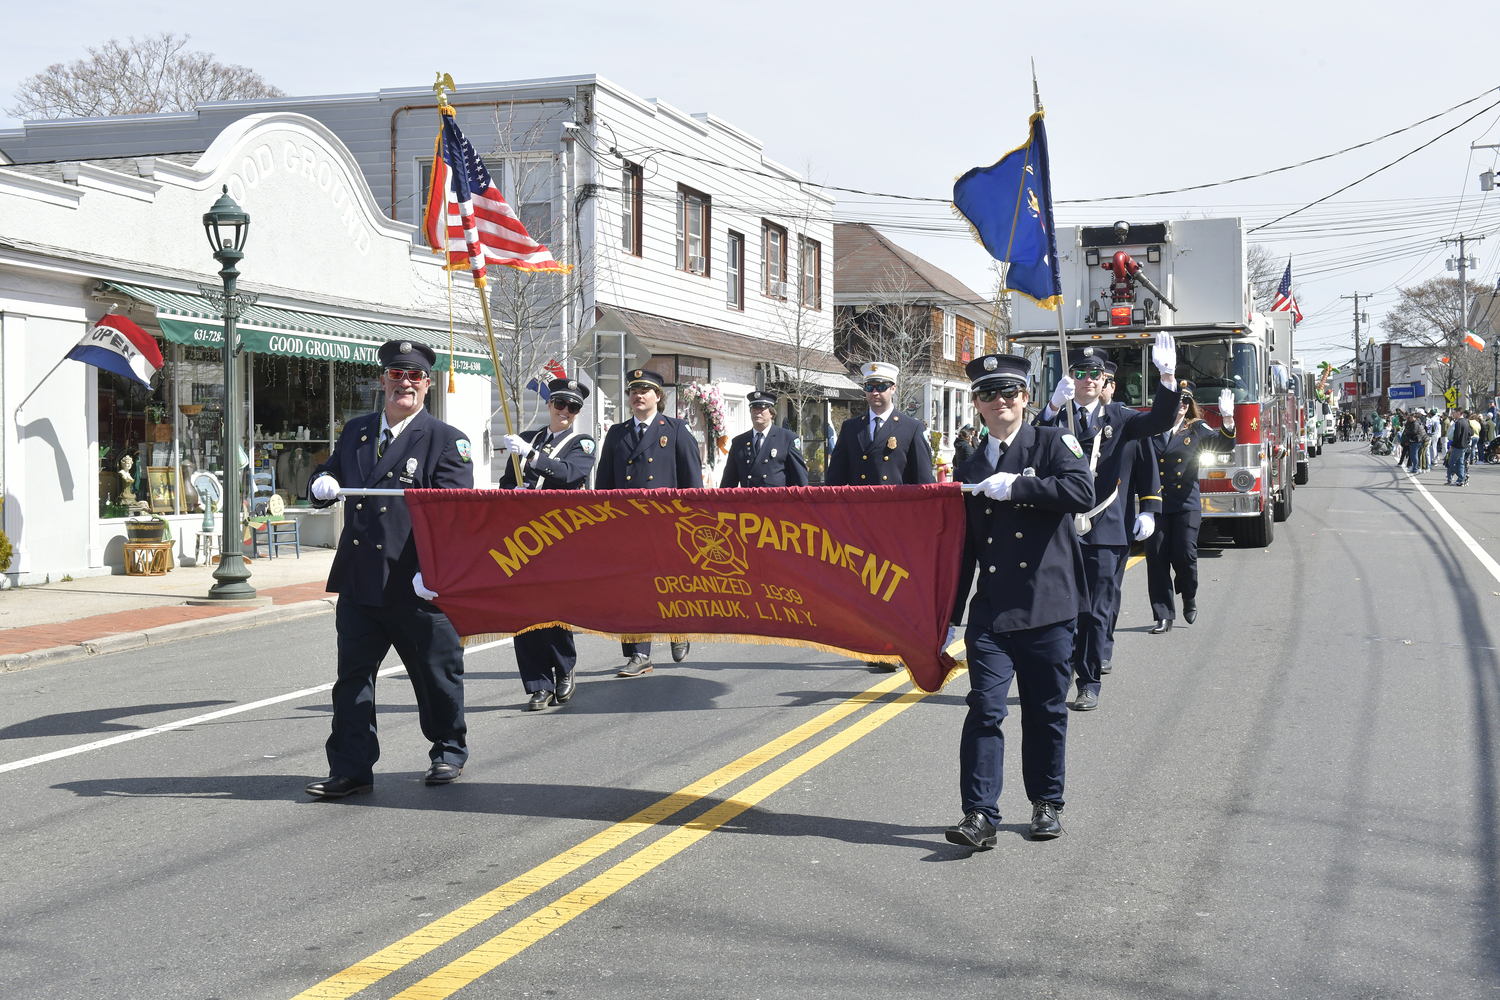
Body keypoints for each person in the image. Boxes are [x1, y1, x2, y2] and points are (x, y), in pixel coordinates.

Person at [303, 340, 474, 799]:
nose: (405, 383)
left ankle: (448, 749)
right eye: (397, 375)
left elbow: (454, 517)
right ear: (382, 380)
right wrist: (319, 483)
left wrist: (435, 573)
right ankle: (352, 767)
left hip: (416, 582)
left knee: (436, 675)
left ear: (427, 384)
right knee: (353, 681)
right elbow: (329, 474)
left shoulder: (444, 438)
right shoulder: (357, 431)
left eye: (414, 376)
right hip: (360, 580)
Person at [945, 352, 1094, 849]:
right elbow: (963, 548)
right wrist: (947, 617)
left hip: (1049, 604)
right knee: (985, 708)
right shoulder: (969, 465)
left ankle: (1047, 802)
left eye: (1009, 392)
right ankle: (980, 814)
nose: (1000, 401)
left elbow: (1081, 489)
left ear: (1026, 398)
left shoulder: (1051, 441)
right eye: (989, 394)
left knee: (1045, 709)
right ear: (977, 406)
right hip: (992, 610)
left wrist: (1021, 487)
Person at [1035, 337, 1181, 710]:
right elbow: (1031, 446)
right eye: (1079, 372)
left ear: (1103, 381)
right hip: (1062, 529)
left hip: (1105, 527)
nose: (1087, 379)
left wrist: (1167, 378)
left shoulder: (1119, 417)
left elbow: (1159, 421)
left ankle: (1089, 681)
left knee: (1097, 609)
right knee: (1061, 608)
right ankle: (1059, 672)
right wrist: (1051, 408)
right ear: (1070, 378)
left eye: (1094, 373)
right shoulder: (1058, 417)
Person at [595, 368, 704, 676]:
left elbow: (692, 484)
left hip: (667, 525)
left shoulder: (676, 429)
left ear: (658, 396)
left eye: (645, 390)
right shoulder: (617, 433)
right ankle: (638, 653)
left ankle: (679, 629)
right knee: (631, 590)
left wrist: (692, 521)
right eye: (633, 391)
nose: (638, 395)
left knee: (671, 584)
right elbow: (604, 483)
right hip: (627, 526)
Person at [498, 376, 597, 710]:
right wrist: (511, 491)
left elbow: (570, 474)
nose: (565, 411)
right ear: (550, 405)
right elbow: (506, 482)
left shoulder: (582, 443)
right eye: (560, 404)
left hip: (558, 538)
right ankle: (537, 683)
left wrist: (533, 457)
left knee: (554, 609)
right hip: (521, 538)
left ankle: (564, 669)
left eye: (573, 407)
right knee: (523, 611)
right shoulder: (529, 438)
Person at [1145, 384, 1236, 630]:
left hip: (1185, 502)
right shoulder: (1150, 426)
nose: (1183, 404)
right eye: (1178, 399)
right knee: (1156, 557)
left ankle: (1188, 594)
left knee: (1185, 554)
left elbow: (1223, 445)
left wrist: (1227, 419)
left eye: (1187, 400)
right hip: (1156, 503)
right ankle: (1163, 614)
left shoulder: (1196, 427)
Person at [1098, 371, 1160, 672]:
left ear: (1111, 386)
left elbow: (1148, 469)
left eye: (1104, 380)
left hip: (1115, 521)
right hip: (1073, 525)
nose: (1095, 384)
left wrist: (1148, 509)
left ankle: (1102, 647)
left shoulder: (1127, 420)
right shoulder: (1070, 421)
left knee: (1107, 589)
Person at [824, 361, 936, 487]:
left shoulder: (912, 428)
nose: (875, 392)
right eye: (869, 387)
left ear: (893, 389)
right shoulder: (850, 427)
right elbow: (835, 478)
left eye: (881, 387)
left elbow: (924, 480)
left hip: (895, 504)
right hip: (860, 504)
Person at [718, 390, 808, 488]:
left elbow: (799, 480)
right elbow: (728, 482)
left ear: (771, 413)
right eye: (754, 408)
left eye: (761, 408)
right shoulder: (739, 442)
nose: (757, 412)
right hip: (748, 501)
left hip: (775, 501)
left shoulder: (787, 439)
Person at [1448, 409, 1473, 486]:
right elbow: (1471, 433)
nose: (1453, 414)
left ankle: (1462, 477)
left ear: (1458, 413)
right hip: (1465, 445)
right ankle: (1460, 480)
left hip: (1458, 445)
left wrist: (1452, 445)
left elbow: (1457, 435)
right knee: (1460, 463)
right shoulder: (1466, 421)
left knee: (1451, 462)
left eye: (1454, 413)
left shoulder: (1458, 422)